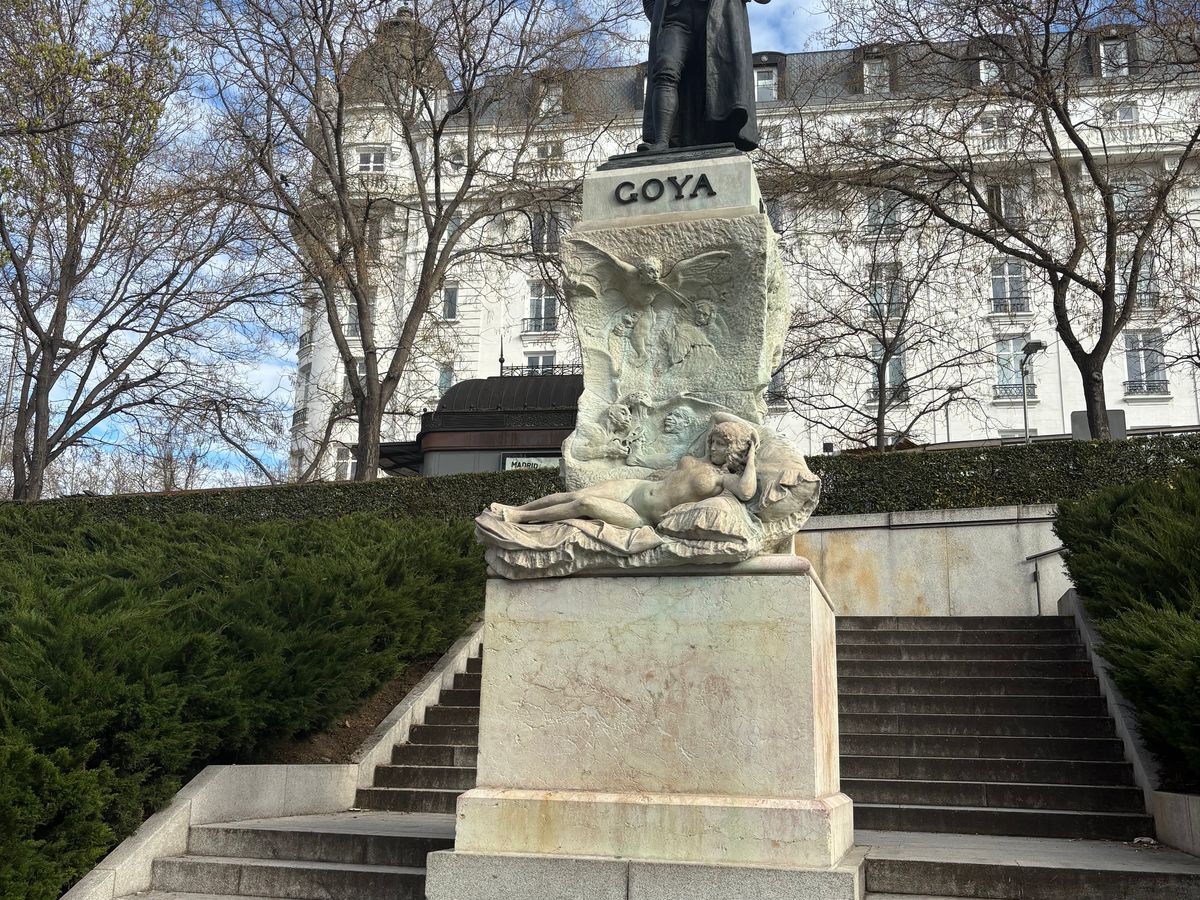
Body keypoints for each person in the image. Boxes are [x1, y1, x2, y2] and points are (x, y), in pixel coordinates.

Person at [493, 419, 759, 529]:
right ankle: (517, 508)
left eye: (721, 445)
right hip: (635, 487)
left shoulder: (724, 478)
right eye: (713, 442)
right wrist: (747, 429)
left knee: (584, 504)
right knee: (575, 494)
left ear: (733, 450)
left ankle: (521, 518)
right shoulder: (700, 458)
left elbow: (747, 491)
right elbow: (717, 416)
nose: (714, 447)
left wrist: (753, 452)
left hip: (641, 515)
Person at [639, 0, 769, 153]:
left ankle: (719, 139)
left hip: (717, 17)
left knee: (714, 78)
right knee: (665, 70)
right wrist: (659, 14)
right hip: (675, 18)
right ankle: (661, 142)